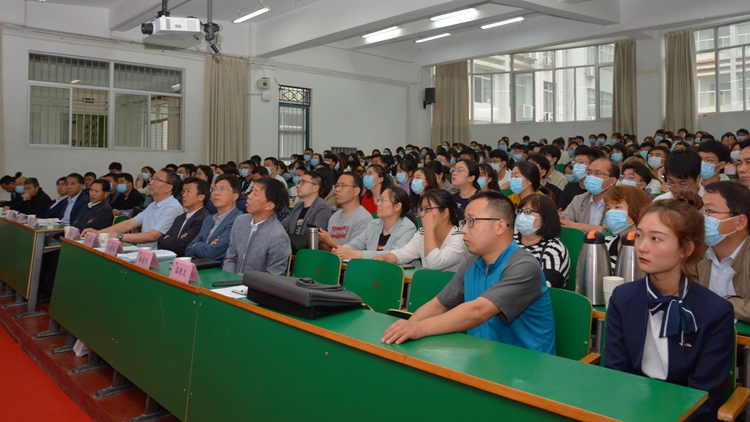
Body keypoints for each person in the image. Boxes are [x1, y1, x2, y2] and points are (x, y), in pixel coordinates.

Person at [604, 192, 734, 421]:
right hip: (630, 409)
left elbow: (702, 393)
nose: (642, 247)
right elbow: (616, 372)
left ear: (685, 249)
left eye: (656, 239)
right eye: (639, 235)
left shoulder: (714, 311)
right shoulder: (623, 298)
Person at [381, 191, 556, 354]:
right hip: (485, 358)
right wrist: (407, 327)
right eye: (464, 222)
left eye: (471, 221)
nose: (464, 229)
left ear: (500, 226)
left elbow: (478, 311)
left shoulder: (524, 267)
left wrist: (420, 328)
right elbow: (438, 305)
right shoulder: (471, 264)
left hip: (525, 366)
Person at [688, 182, 750, 323]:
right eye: (700, 211)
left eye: (709, 211)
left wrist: (720, 303)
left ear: (740, 222)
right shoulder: (694, 250)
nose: (701, 218)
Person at [83, 169, 183, 249]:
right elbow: (130, 223)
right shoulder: (153, 205)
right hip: (143, 251)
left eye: (156, 180)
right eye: (152, 179)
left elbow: (154, 236)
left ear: (168, 187)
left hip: (158, 256)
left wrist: (119, 236)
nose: (151, 183)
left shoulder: (172, 207)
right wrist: (99, 232)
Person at [375, 189, 470, 271]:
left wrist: (429, 230)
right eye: (421, 209)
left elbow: (435, 263)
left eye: (427, 209)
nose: (421, 214)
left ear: (444, 213)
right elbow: (404, 253)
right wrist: (384, 258)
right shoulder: (422, 233)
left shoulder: (460, 238)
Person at [223, 178, 291, 275]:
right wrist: (230, 278)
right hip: (230, 281)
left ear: (269, 205)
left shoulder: (278, 236)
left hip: (255, 284)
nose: (249, 196)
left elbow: (273, 276)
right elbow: (230, 258)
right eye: (251, 191)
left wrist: (242, 281)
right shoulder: (240, 221)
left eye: (255, 194)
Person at [332, 186, 417, 260]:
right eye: (379, 200)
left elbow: (394, 255)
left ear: (397, 206)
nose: (378, 204)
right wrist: (340, 250)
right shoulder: (374, 224)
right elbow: (355, 244)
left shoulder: (408, 228)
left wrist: (357, 254)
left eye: (383, 200)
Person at [515, 194, 570, 289]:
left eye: (527, 211)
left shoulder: (554, 250)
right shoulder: (508, 241)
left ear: (545, 217)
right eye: (520, 211)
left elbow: (546, 287)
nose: (522, 215)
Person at [183, 176, 241, 260]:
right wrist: (206, 246)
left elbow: (214, 253)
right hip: (199, 265)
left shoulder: (238, 220)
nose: (216, 193)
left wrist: (197, 245)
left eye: (222, 189)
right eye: (214, 189)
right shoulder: (208, 219)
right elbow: (188, 249)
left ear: (235, 196)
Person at [560, 158, 619, 232]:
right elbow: (563, 222)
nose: (591, 176)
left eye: (597, 173)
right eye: (589, 172)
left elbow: (611, 230)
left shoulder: (620, 203)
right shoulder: (579, 199)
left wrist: (575, 225)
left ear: (612, 181)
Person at [157, 178, 211, 256]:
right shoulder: (180, 218)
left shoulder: (203, 218)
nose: (184, 195)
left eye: (188, 191)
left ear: (201, 197)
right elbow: (160, 241)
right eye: (183, 191)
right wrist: (177, 240)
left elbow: (183, 246)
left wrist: (170, 239)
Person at [318, 172, 372, 250]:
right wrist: (322, 241)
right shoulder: (335, 216)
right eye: (337, 186)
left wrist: (329, 241)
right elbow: (329, 250)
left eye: (343, 186)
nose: (337, 189)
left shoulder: (364, 218)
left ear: (356, 191)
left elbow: (354, 253)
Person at [603, 186, 653, 270]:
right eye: (608, 208)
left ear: (637, 208)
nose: (610, 212)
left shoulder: (648, 246)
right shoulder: (604, 244)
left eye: (617, 207)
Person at [283, 170, 332, 236]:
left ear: (315, 188)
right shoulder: (298, 206)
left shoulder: (322, 208)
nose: (298, 186)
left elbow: (316, 236)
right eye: (299, 182)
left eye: (303, 182)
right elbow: (283, 227)